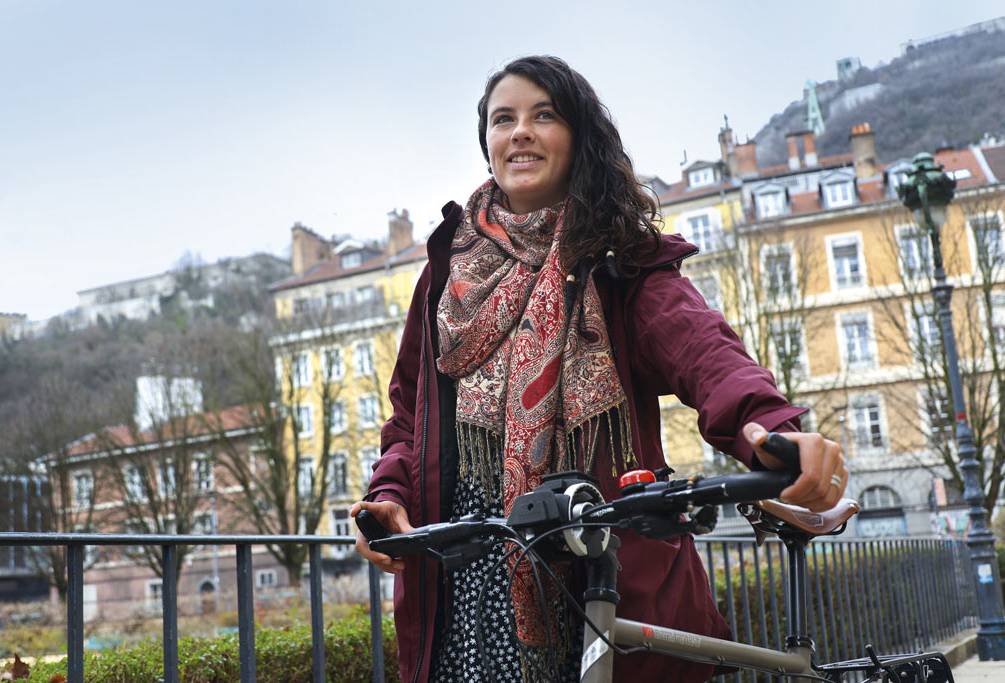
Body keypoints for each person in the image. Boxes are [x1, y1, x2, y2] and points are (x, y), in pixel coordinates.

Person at [351, 55, 847, 683]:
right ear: (488, 143)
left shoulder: (619, 258)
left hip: (596, 564)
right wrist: (387, 497)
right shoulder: (447, 273)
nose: (520, 132)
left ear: (579, 138)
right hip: (464, 579)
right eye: (504, 119)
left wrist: (768, 425)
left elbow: (702, 350)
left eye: (544, 115)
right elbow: (409, 415)